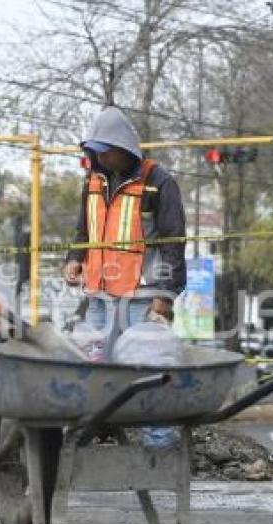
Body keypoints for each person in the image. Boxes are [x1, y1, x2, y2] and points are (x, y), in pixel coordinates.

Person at [63, 106, 187, 447]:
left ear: (125, 148)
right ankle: (98, 430)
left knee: (147, 368)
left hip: (141, 293)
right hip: (99, 292)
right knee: (96, 364)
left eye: (107, 152)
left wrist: (166, 295)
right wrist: (75, 258)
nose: (102, 158)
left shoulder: (158, 182)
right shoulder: (93, 179)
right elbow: (83, 228)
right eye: (97, 152)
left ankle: (159, 443)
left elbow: (174, 243)